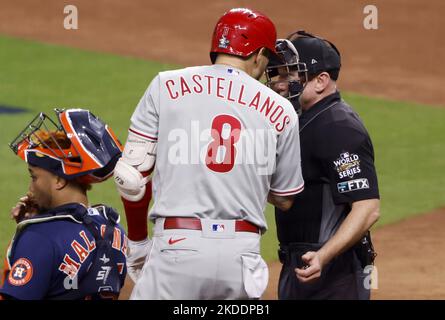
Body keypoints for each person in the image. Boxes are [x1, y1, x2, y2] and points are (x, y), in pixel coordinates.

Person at [113, 8, 304, 300]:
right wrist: (245, 173)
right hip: (241, 256)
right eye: (266, 57)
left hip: (178, 246)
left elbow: (131, 176)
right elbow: (285, 197)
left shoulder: (166, 85)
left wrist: (138, 243)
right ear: (257, 54)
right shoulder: (281, 109)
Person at [266, 31, 380, 300]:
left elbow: (368, 208)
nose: (279, 84)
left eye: (290, 74)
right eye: (277, 74)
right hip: (304, 265)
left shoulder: (338, 127)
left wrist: (323, 256)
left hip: (332, 271)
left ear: (321, 81)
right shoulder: (305, 121)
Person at [0, 109, 127, 300]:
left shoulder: (40, 239)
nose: (30, 188)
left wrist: (25, 236)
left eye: (34, 177)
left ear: (59, 179)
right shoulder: (114, 229)